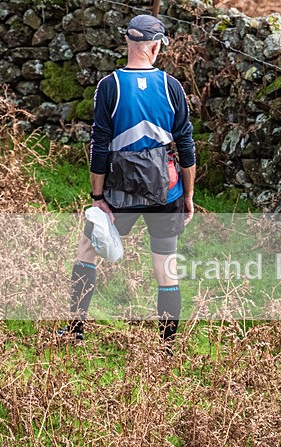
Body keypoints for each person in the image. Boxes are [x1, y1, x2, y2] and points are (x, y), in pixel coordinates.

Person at [58, 14, 196, 347]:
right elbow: (187, 145)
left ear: (128, 42)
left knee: (88, 249)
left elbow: (100, 145)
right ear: (155, 45)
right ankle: (166, 348)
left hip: (120, 191)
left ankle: (74, 332)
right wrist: (189, 195)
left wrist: (97, 197)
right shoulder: (172, 86)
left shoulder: (110, 86)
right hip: (168, 189)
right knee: (166, 266)